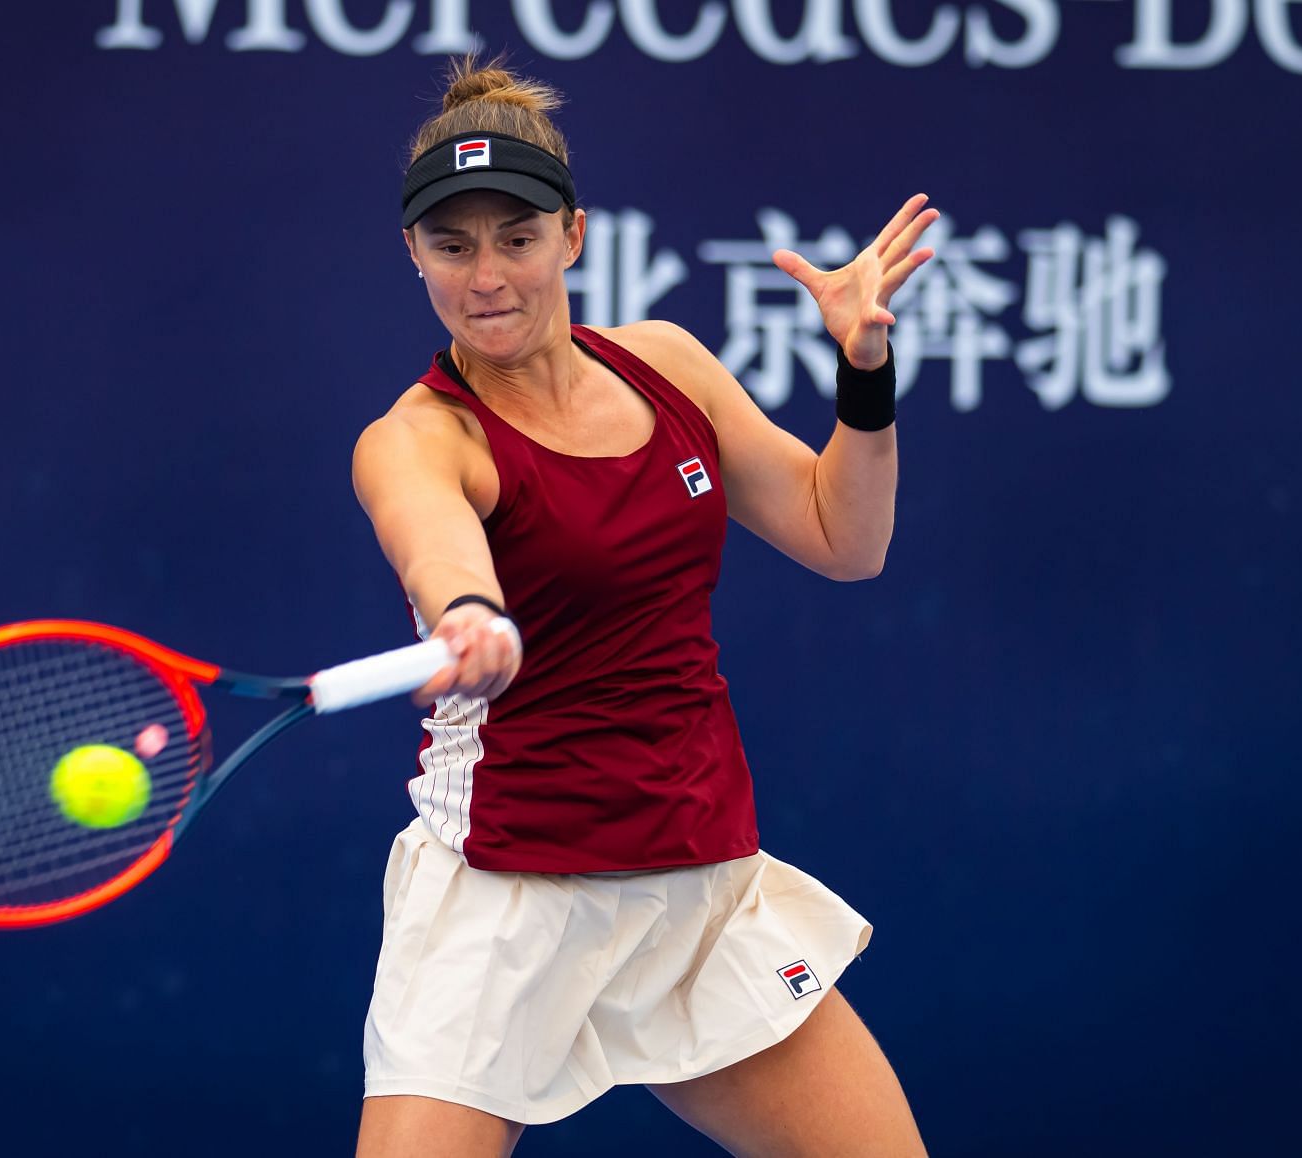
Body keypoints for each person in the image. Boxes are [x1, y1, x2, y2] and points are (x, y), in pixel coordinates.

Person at [350, 57, 937, 1158]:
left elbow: (843, 539)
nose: (487, 276)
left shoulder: (667, 364)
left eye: (516, 238)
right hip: (507, 901)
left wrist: (865, 370)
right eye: (452, 245)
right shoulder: (419, 439)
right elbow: (436, 545)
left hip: (698, 888)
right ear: (413, 255)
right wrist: (467, 612)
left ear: (573, 236)